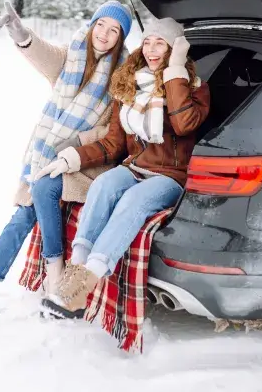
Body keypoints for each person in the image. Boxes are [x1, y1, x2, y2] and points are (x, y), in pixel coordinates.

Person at [0, 0, 133, 332]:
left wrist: (77, 142)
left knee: (40, 192)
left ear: (121, 38)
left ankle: (50, 282)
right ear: (92, 25)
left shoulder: (120, 79)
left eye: (114, 30)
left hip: (85, 165)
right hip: (45, 157)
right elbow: (42, 53)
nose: (105, 35)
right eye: (101, 25)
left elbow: (112, 132)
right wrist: (21, 34)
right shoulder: (70, 59)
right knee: (22, 216)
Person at [32, 17, 210, 315]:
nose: (152, 50)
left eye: (162, 44)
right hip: (136, 167)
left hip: (171, 176)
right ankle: (73, 275)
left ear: (174, 50)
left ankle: (86, 285)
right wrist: (71, 158)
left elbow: (183, 125)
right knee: (103, 184)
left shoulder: (193, 87)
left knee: (133, 200)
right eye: (148, 42)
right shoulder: (131, 84)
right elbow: (114, 143)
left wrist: (175, 71)